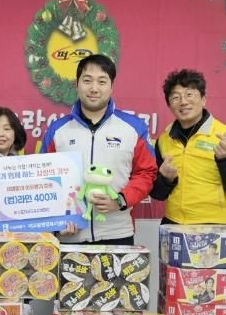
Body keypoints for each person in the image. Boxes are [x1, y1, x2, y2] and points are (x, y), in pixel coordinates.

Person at [40, 54, 158, 245]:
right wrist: (57, 222)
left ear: (111, 87)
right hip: (70, 235)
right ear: (77, 84)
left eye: (102, 81)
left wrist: (120, 200)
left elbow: (146, 173)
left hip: (117, 234)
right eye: (87, 81)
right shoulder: (57, 130)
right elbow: (44, 180)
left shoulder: (133, 128)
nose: (94, 88)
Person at [150, 69, 226, 224]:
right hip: (174, 225)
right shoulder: (163, 140)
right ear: (169, 105)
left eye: (189, 94)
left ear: (204, 99)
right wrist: (166, 179)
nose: (183, 102)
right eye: (176, 97)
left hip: (217, 227)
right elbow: (157, 194)